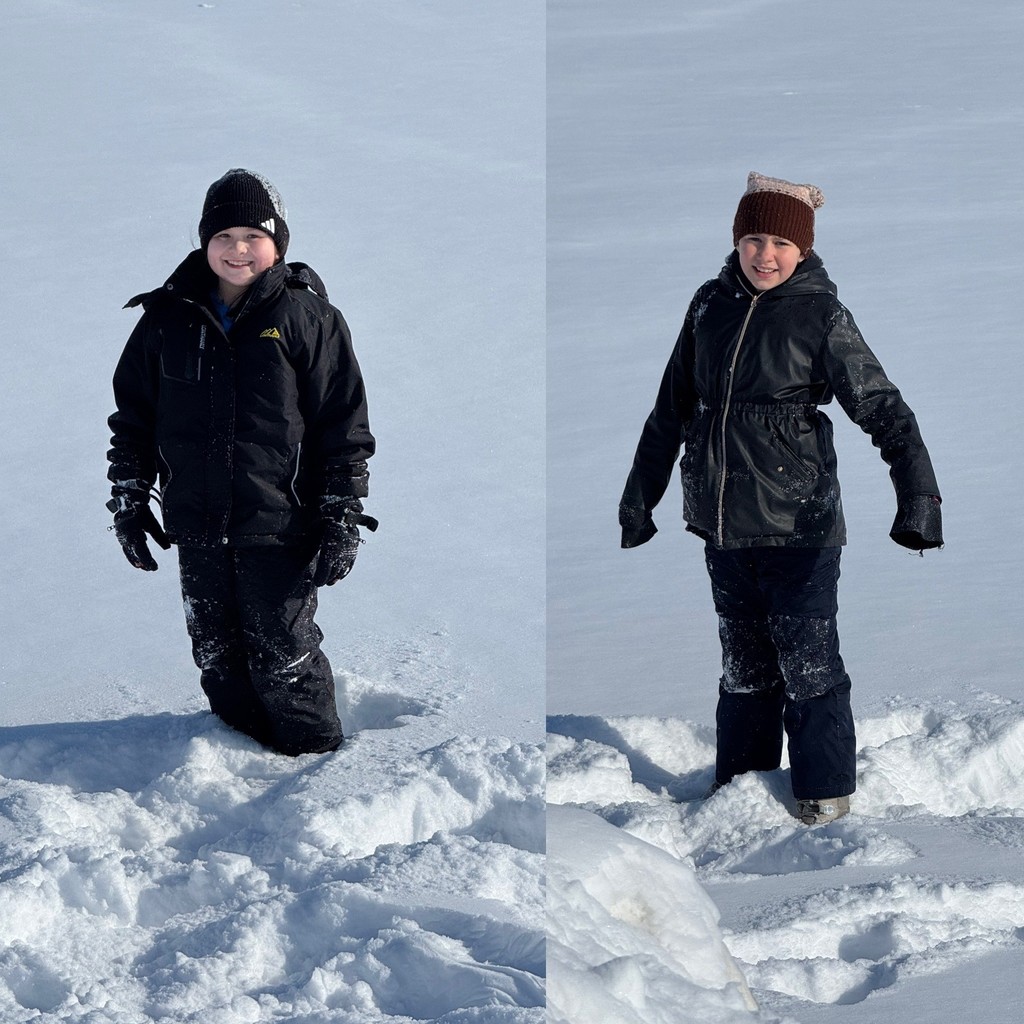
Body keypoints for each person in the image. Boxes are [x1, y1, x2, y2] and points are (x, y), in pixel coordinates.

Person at [618, 172, 942, 824]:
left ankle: (825, 799)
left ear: (803, 251)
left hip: (800, 523)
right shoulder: (709, 305)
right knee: (744, 669)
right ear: (736, 241)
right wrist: (639, 496)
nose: (765, 254)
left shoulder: (821, 316)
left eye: (780, 243)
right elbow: (672, 407)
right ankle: (742, 793)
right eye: (753, 238)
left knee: (808, 664)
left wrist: (919, 499)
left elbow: (883, 409)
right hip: (723, 524)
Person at [106, 168, 376, 756]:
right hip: (198, 522)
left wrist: (341, 513)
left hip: (281, 523)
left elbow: (342, 427)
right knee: (216, 653)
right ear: (205, 242)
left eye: (252, 236)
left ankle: (315, 768)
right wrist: (129, 498)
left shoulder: (309, 320)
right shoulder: (165, 321)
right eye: (223, 236)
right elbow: (134, 420)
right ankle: (242, 760)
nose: (237, 250)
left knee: (284, 654)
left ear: (277, 244)